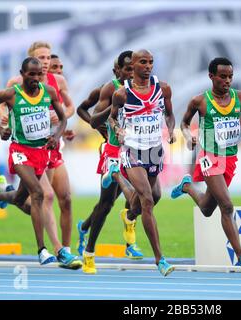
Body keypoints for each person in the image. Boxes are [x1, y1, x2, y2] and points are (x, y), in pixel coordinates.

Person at [0, 57, 81, 268]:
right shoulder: (11, 94)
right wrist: (0, 130)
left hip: (40, 152)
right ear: (23, 73)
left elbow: (63, 119)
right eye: (31, 74)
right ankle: (42, 250)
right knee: (38, 193)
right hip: (20, 151)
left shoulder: (49, 93)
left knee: (21, 198)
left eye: (39, 75)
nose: (36, 78)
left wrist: (57, 135)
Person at [170, 57, 241, 272]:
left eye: (230, 77)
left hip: (229, 158)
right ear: (211, 76)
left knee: (208, 209)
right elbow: (183, 122)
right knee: (226, 205)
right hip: (209, 157)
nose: (227, 81)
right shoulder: (200, 101)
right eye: (223, 76)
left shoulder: (240, 98)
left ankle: (187, 186)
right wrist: (189, 135)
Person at [0, 41, 76, 255]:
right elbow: (2, 103)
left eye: (48, 57)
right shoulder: (17, 82)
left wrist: (61, 120)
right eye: (41, 58)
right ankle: (57, 249)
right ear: (30, 61)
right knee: (45, 196)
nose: (46, 62)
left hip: (52, 144)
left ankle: (67, 247)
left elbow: (70, 108)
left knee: (65, 198)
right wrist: (3, 117)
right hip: (27, 147)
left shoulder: (57, 82)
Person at [76, 51, 146, 274]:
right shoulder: (108, 89)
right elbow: (89, 115)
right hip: (114, 150)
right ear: (118, 70)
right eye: (126, 69)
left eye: (132, 69)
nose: (130, 73)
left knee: (141, 194)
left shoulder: (145, 88)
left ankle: (88, 227)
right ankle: (89, 253)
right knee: (106, 204)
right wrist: (113, 112)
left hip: (134, 150)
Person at [110, 49, 176, 276]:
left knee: (155, 196)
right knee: (147, 199)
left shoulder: (163, 88)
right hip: (132, 149)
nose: (148, 66)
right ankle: (160, 259)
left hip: (154, 149)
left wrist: (171, 129)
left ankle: (128, 215)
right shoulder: (122, 94)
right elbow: (111, 117)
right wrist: (118, 128)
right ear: (134, 65)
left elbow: (169, 114)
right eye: (143, 62)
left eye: (151, 62)